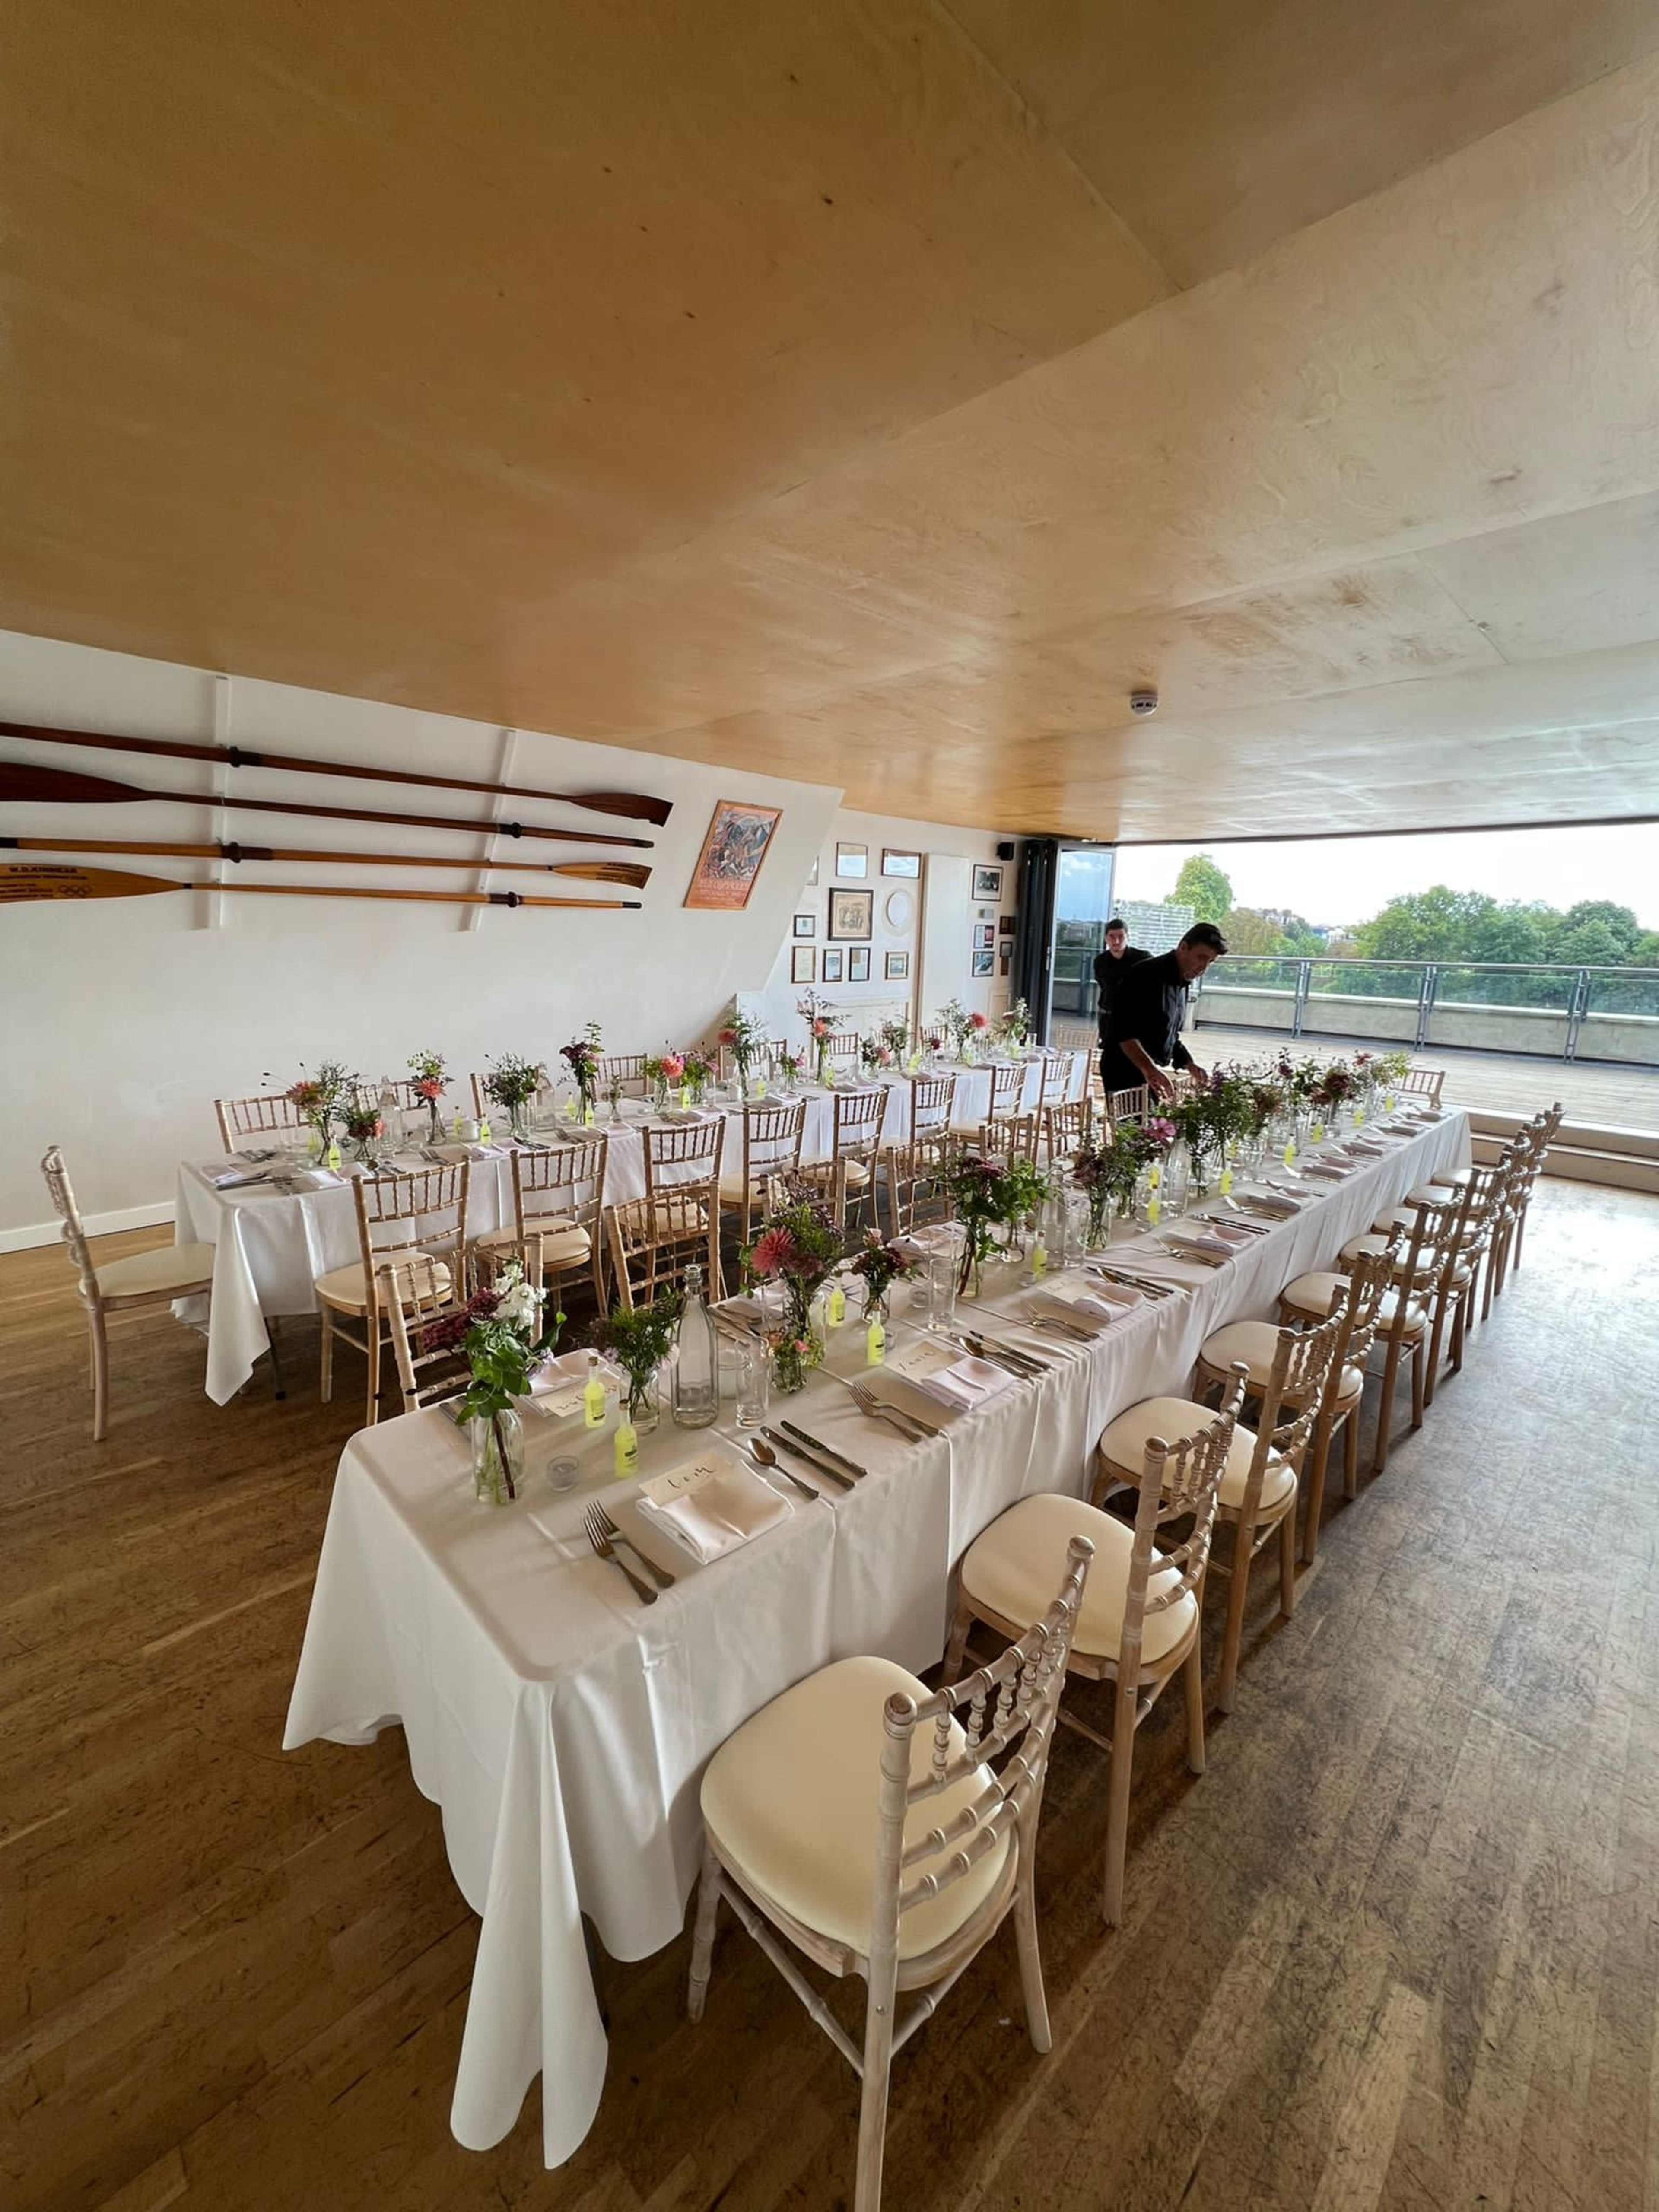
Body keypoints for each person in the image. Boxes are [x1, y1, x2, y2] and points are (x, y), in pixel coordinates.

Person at [1100, 922, 1227, 1102]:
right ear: (1183, 948)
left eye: (1211, 962)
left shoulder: (1182, 982)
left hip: (1151, 1071)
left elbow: (1169, 1035)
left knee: (1157, 1128)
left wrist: (1189, 1064)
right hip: (1124, 1070)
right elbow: (1123, 1033)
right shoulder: (1144, 975)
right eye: (1201, 957)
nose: (1204, 967)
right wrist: (1150, 1070)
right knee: (1139, 1130)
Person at [1092, 918, 1149, 1072]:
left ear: (1128, 937)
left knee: (1133, 1059)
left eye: (1121, 936)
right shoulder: (1100, 961)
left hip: (1133, 1017)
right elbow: (1103, 986)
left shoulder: (1143, 958)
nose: (1116, 941)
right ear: (1106, 938)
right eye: (1112, 937)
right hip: (1107, 1015)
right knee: (1109, 1056)